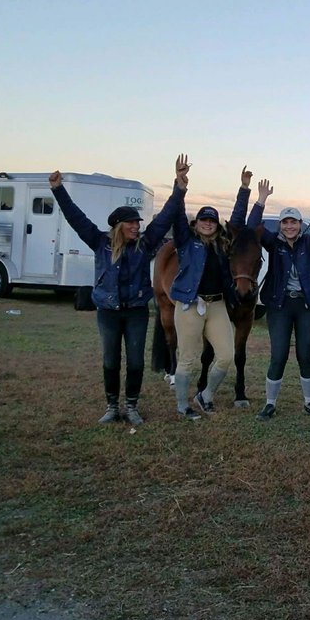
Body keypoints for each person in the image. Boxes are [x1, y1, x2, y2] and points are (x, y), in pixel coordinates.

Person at [48, 157, 186, 425]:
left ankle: (131, 407)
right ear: (119, 225)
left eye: (138, 223)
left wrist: (179, 186)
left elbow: (165, 217)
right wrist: (58, 189)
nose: (137, 226)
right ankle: (112, 407)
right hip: (108, 312)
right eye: (131, 223)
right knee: (110, 360)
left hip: (136, 312)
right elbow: (76, 217)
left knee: (135, 362)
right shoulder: (99, 242)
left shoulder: (145, 245)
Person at [246, 179, 310, 419]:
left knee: (305, 355)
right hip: (280, 305)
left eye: (293, 222)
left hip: (307, 305)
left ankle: (309, 403)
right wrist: (261, 200)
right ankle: (270, 404)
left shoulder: (309, 242)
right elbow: (252, 226)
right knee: (278, 355)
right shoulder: (273, 243)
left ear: (300, 224)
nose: (289, 226)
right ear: (280, 225)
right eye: (285, 222)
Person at [167, 165, 248, 418]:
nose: (208, 224)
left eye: (212, 221)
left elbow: (237, 220)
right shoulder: (186, 241)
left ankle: (205, 395)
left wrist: (244, 189)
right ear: (197, 223)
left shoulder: (223, 245)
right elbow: (177, 215)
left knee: (226, 356)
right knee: (187, 358)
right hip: (190, 304)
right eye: (204, 220)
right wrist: (179, 187)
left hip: (217, 305)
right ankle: (183, 406)